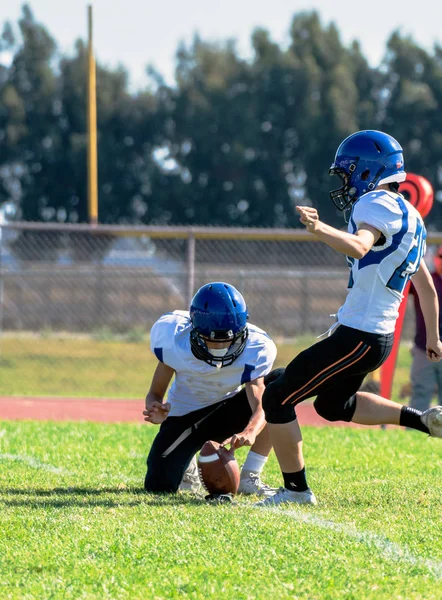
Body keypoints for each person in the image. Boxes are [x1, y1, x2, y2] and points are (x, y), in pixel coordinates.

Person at [256, 129, 442, 506]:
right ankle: (422, 420)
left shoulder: (374, 204)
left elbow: (359, 246)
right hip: (375, 337)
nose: (344, 183)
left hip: (358, 334)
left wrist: (318, 227)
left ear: (366, 171)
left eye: (346, 174)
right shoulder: (411, 215)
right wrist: (435, 338)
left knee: (277, 395)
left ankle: (296, 491)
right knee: (331, 405)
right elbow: (425, 288)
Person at [143, 281, 316, 503]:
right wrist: (156, 407)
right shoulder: (174, 339)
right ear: (193, 329)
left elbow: (260, 400)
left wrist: (251, 430)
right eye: (212, 341)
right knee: (159, 485)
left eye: (228, 341)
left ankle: (250, 474)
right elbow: (155, 393)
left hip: (226, 411)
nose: (220, 350)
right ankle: (188, 461)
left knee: (279, 386)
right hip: (183, 417)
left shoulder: (256, 346)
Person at [405, 245, 442, 410]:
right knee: (420, 391)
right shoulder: (427, 279)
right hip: (423, 346)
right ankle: (414, 431)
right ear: (435, 258)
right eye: (441, 256)